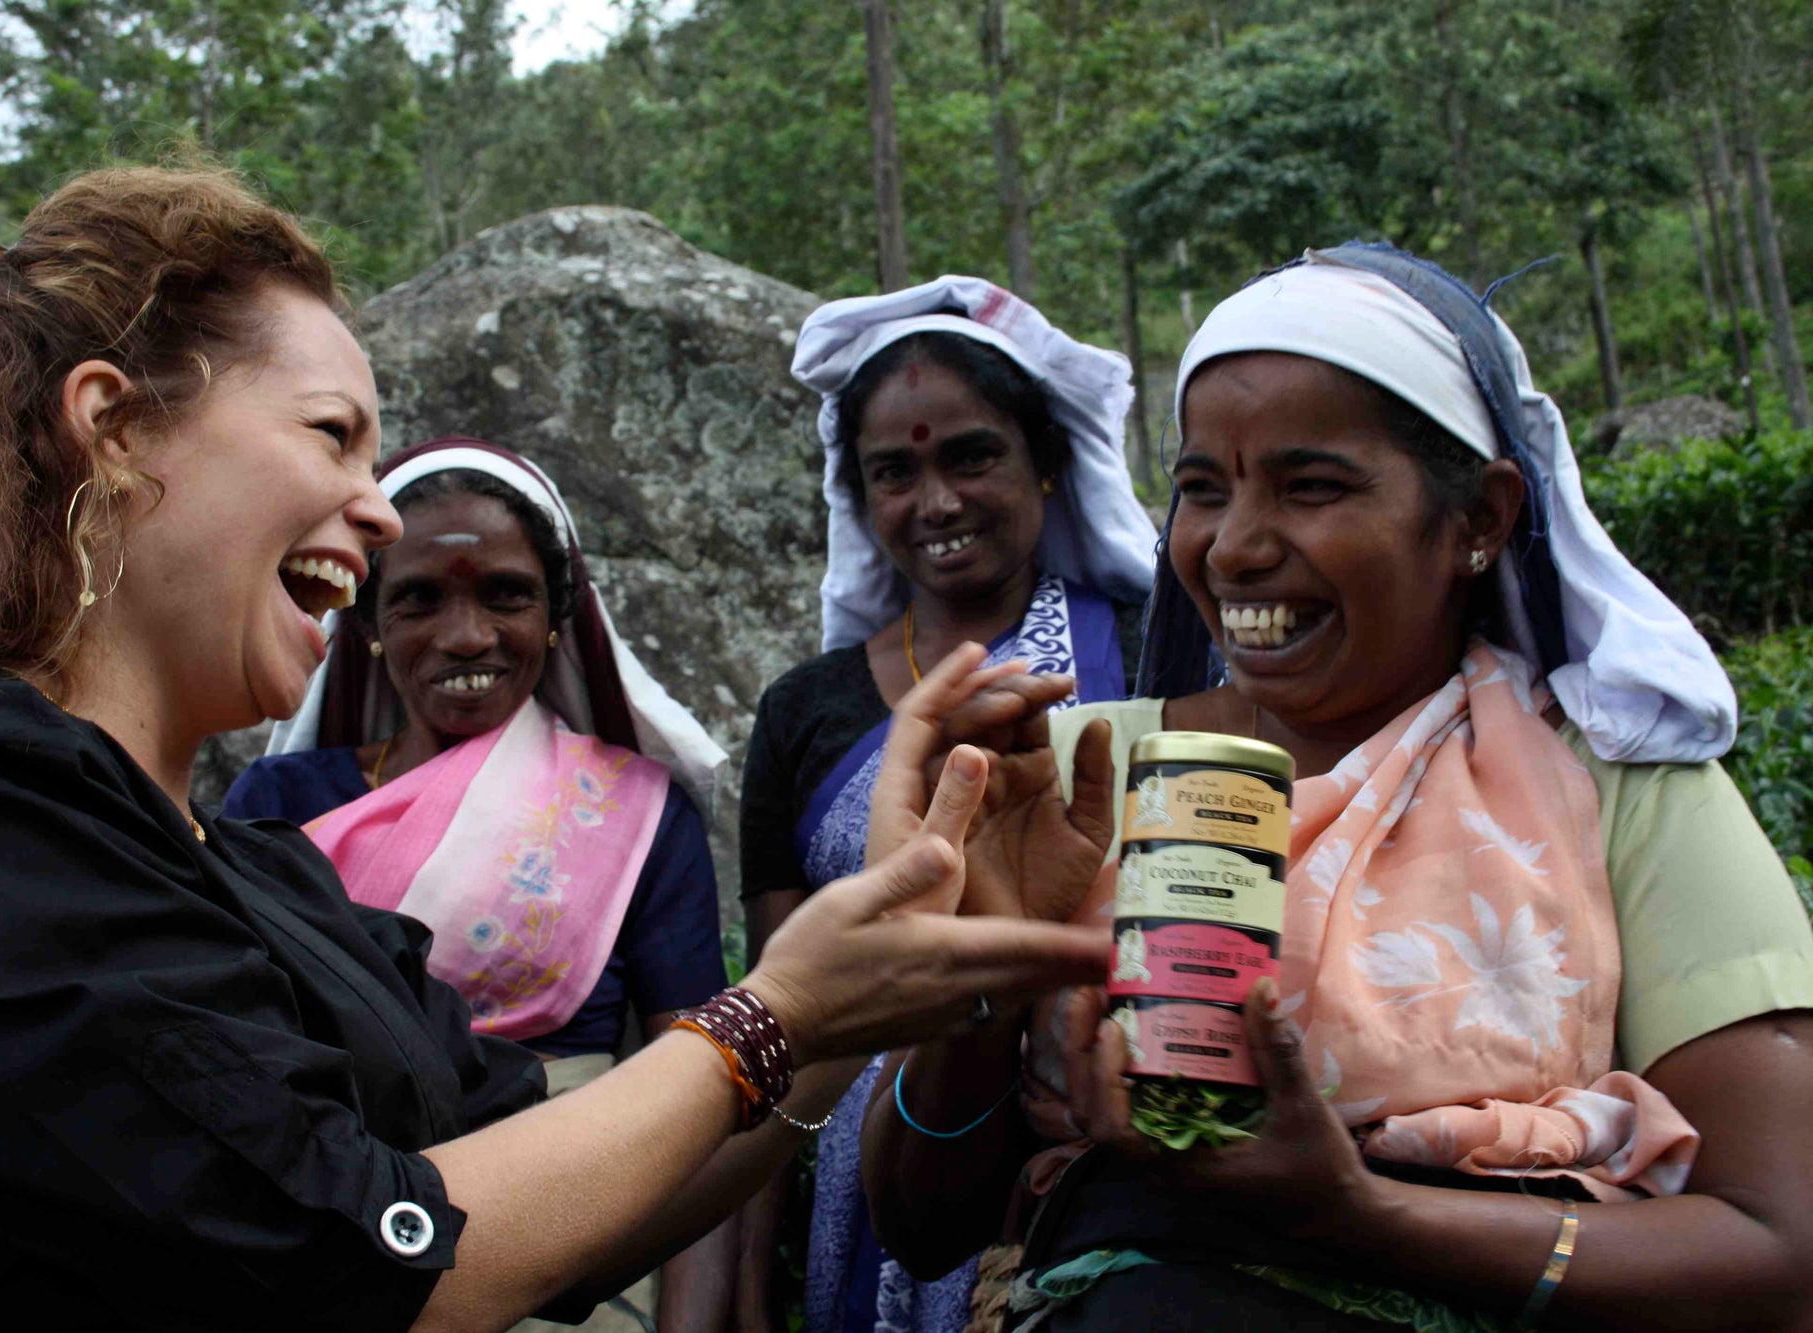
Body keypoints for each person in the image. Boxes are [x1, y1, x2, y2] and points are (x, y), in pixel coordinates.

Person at [0, 164, 1113, 1333]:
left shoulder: (269, 879)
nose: (378, 515)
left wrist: (851, 998)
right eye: (333, 433)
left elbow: (564, 1185)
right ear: (111, 428)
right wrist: (786, 1005)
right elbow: (381, 1252)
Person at [860, 245, 1813, 1330]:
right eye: (1201, 489)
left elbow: (1777, 1251)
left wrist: (1358, 1213)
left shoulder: (1605, 782)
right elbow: (923, 1224)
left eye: (1311, 485)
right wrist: (979, 974)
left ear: (1478, 519)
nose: (1234, 547)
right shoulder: (1074, 780)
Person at [222, 437, 737, 1332]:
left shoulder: (637, 816)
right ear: (370, 621)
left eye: (506, 593)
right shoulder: (279, 806)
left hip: (579, 1242)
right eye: (419, 599)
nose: (467, 636)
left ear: (554, 617)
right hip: (332, 1245)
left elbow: (703, 1093)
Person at [739, 278, 1160, 1333]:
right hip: (878, 1171)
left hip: (1117, 1146)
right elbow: (782, 1006)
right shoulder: (805, 711)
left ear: (1047, 464)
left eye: (969, 455)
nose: (934, 502)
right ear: (858, 495)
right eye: (894, 471)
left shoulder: (1150, 646)